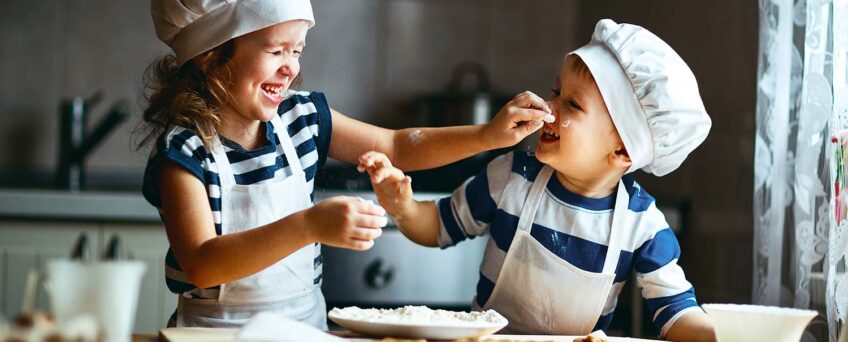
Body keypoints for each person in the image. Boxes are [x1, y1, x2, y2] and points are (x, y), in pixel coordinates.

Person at [139, 0, 555, 329]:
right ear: (211, 56)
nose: (291, 67)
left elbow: (397, 144)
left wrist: (488, 136)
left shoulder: (301, 118)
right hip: (210, 334)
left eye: (297, 50)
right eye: (276, 49)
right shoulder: (185, 151)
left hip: (304, 329)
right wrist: (308, 225)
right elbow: (200, 263)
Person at [359, 19, 717, 341]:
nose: (549, 108)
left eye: (572, 105)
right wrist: (402, 207)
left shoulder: (642, 225)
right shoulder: (512, 176)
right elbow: (437, 226)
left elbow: (676, 311)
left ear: (623, 150)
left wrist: (723, 334)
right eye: (555, 91)